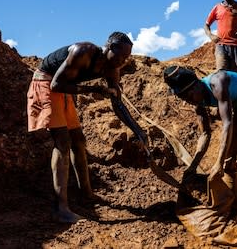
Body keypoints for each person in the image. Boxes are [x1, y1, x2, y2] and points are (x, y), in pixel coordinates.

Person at [27, 32, 147, 223]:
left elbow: (118, 104)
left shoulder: (112, 70)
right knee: (63, 142)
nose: (123, 61)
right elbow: (57, 84)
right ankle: (61, 208)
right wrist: (94, 90)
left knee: (79, 140)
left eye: (127, 58)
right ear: (109, 48)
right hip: (46, 83)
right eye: (121, 56)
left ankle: (87, 194)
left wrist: (138, 130)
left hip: (65, 87)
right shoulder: (84, 51)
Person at [163, 65, 237, 246]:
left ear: (196, 84)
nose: (189, 100)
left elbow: (227, 123)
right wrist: (194, 164)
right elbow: (205, 134)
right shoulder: (197, 101)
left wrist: (218, 162)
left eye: (189, 95)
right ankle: (228, 204)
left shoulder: (218, 83)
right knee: (228, 160)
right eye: (183, 98)